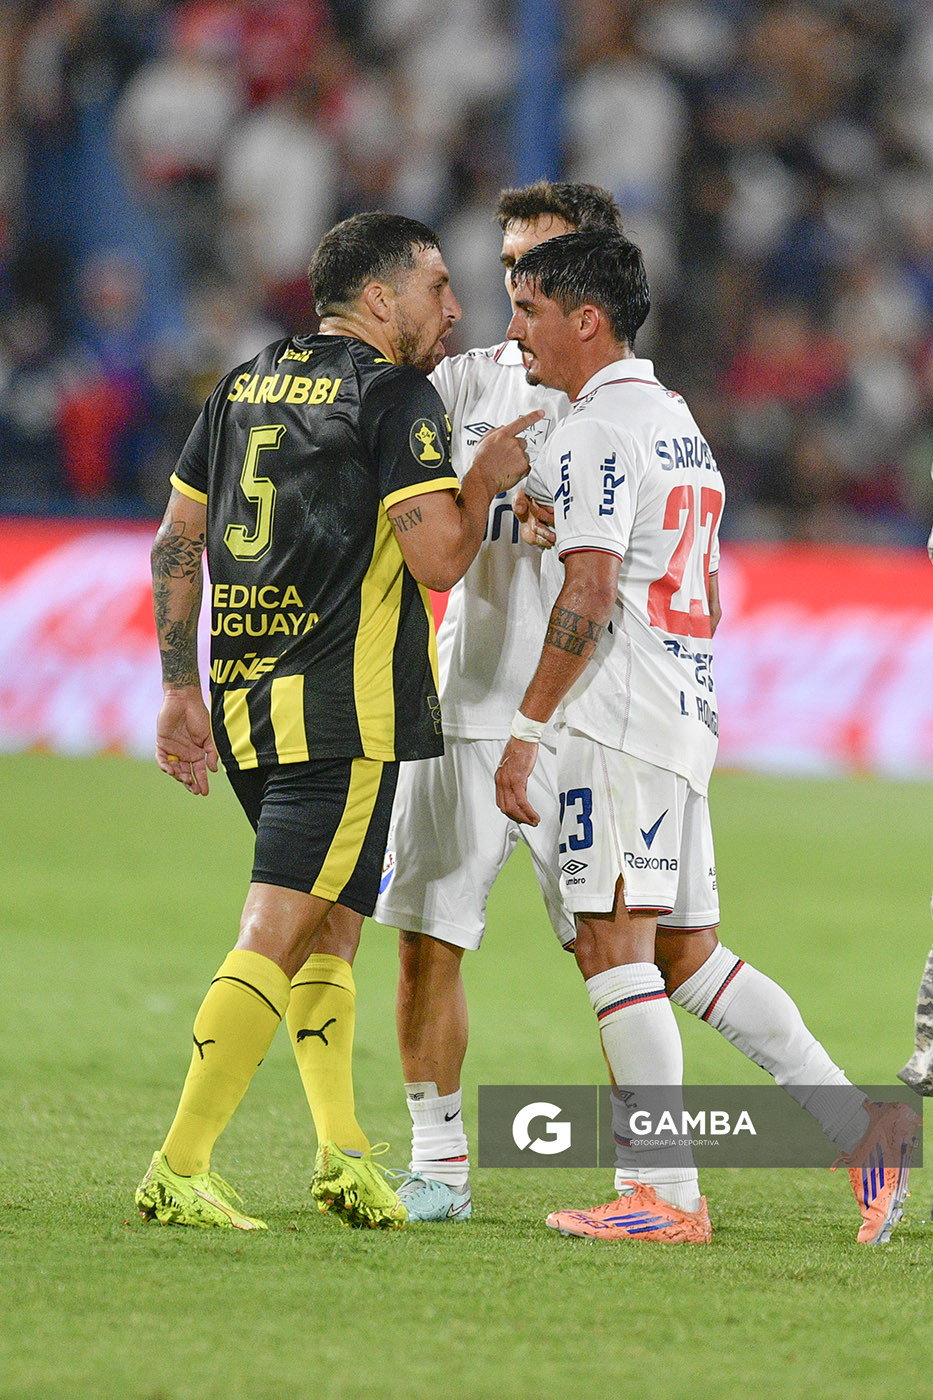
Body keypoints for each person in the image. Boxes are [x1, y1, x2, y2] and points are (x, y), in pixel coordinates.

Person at [496, 227, 920, 1246]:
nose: (519, 332)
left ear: (585, 320)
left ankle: (667, 1195)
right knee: (686, 954)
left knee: (613, 946)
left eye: (531, 311)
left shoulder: (603, 429)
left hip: (618, 720)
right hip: (683, 712)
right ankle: (861, 1124)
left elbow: (591, 595)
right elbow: (708, 591)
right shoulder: (678, 423)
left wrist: (526, 727)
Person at [135, 211, 539, 1232]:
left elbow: (177, 542)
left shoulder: (242, 382)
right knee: (277, 927)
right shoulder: (394, 394)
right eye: (438, 286)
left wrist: (180, 685)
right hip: (342, 711)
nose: (454, 308)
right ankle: (178, 1164)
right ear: (379, 298)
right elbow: (441, 559)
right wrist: (485, 477)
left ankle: (343, 1151)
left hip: (249, 701)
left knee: (332, 928)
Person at [370, 181, 624, 1223]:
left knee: (623, 952)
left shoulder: (630, 407)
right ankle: (438, 1163)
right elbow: (425, 541)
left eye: (544, 259)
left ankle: (648, 1169)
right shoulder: (456, 384)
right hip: (468, 706)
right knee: (429, 936)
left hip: (593, 718)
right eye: (511, 260)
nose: (519, 281)